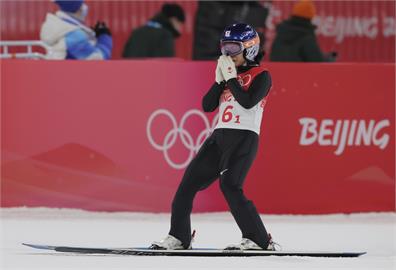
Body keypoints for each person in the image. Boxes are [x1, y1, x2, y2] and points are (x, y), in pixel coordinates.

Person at [151, 23, 275, 251]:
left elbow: (247, 103)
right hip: (218, 138)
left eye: (233, 48)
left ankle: (258, 239)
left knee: (230, 186)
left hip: (244, 138)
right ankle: (179, 237)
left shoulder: (262, 76)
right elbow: (207, 106)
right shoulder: (228, 75)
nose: (227, 54)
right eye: (225, 48)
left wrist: (229, 79)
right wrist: (220, 81)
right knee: (186, 186)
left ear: (249, 48)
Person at [40, 0, 112, 60]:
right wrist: (104, 37)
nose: (85, 7)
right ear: (78, 8)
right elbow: (98, 58)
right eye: (82, 3)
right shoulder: (74, 35)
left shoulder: (60, 26)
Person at [270, 0, 336, 62]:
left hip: (277, 73)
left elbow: (273, 57)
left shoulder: (281, 33)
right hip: (299, 73)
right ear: (311, 16)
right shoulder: (307, 36)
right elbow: (317, 61)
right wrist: (328, 59)